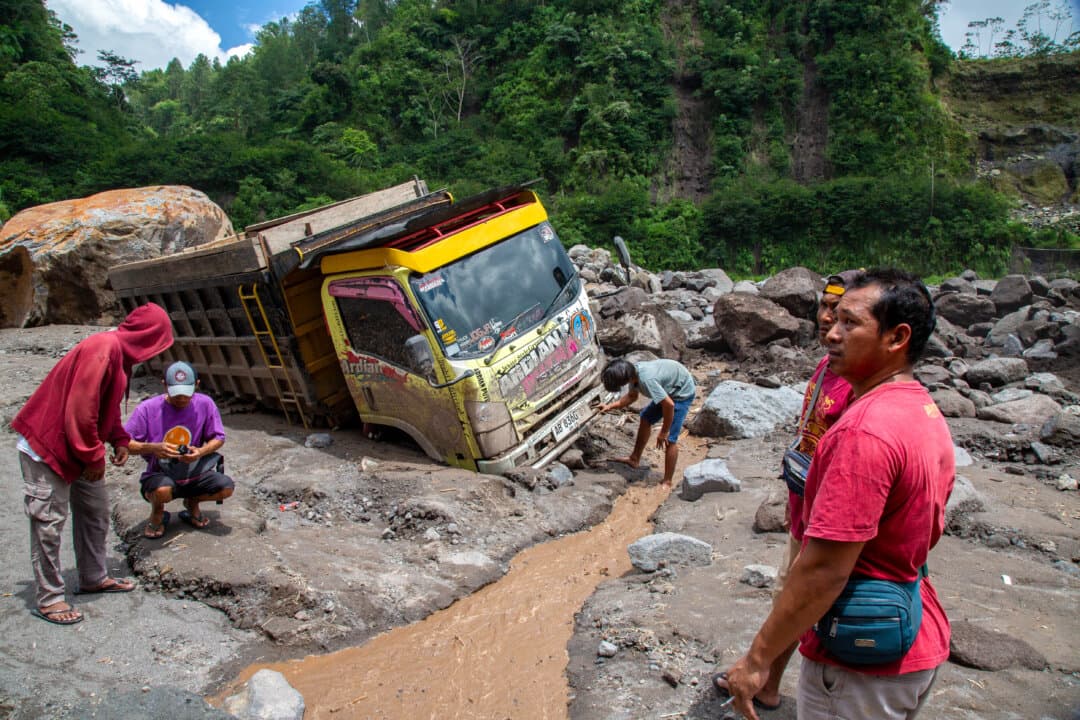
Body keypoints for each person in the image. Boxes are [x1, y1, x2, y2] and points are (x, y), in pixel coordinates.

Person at [722, 268, 955, 720]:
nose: (831, 332)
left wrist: (756, 662)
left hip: (858, 663)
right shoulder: (918, 406)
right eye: (831, 318)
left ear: (896, 337)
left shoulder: (865, 432)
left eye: (850, 322)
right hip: (907, 626)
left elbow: (824, 570)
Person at [713, 270, 859, 710]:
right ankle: (771, 683)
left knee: (801, 597)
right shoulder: (828, 363)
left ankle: (768, 677)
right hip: (804, 505)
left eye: (843, 313)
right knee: (787, 592)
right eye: (826, 306)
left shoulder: (858, 380)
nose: (828, 319)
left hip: (827, 519)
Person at [12, 303, 174, 625]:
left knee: (95, 512)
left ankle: (93, 576)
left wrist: (120, 440)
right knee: (49, 523)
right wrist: (94, 457)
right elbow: (80, 410)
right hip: (48, 448)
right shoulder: (104, 348)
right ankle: (50, 598)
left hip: (79, 447)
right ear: (148, 337)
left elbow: (107, 409)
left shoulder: (121, 359)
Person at [126, 361, 234, 538]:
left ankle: (192, 502)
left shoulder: (205, 404)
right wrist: (153, 448)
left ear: (197, 385)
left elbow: (218, 437)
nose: (182, 399)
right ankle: (158, 511)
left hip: (194, 471)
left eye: (187, 394)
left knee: (226, 487)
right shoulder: (147, 409)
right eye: (176, 394)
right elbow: (125, 444)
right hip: (160, 473)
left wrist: (200, 452)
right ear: (164, 385)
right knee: (161, 491)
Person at [597, 357, 696, 486]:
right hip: (668, 389)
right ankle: (634, 459)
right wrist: (609, 406)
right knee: (645, 418)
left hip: (681, 392)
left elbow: (669, 405)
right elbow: (632, 397)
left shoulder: (647, 380)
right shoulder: (633, 373)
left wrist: (664, 432)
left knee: (670, 439)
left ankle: (667, 481)